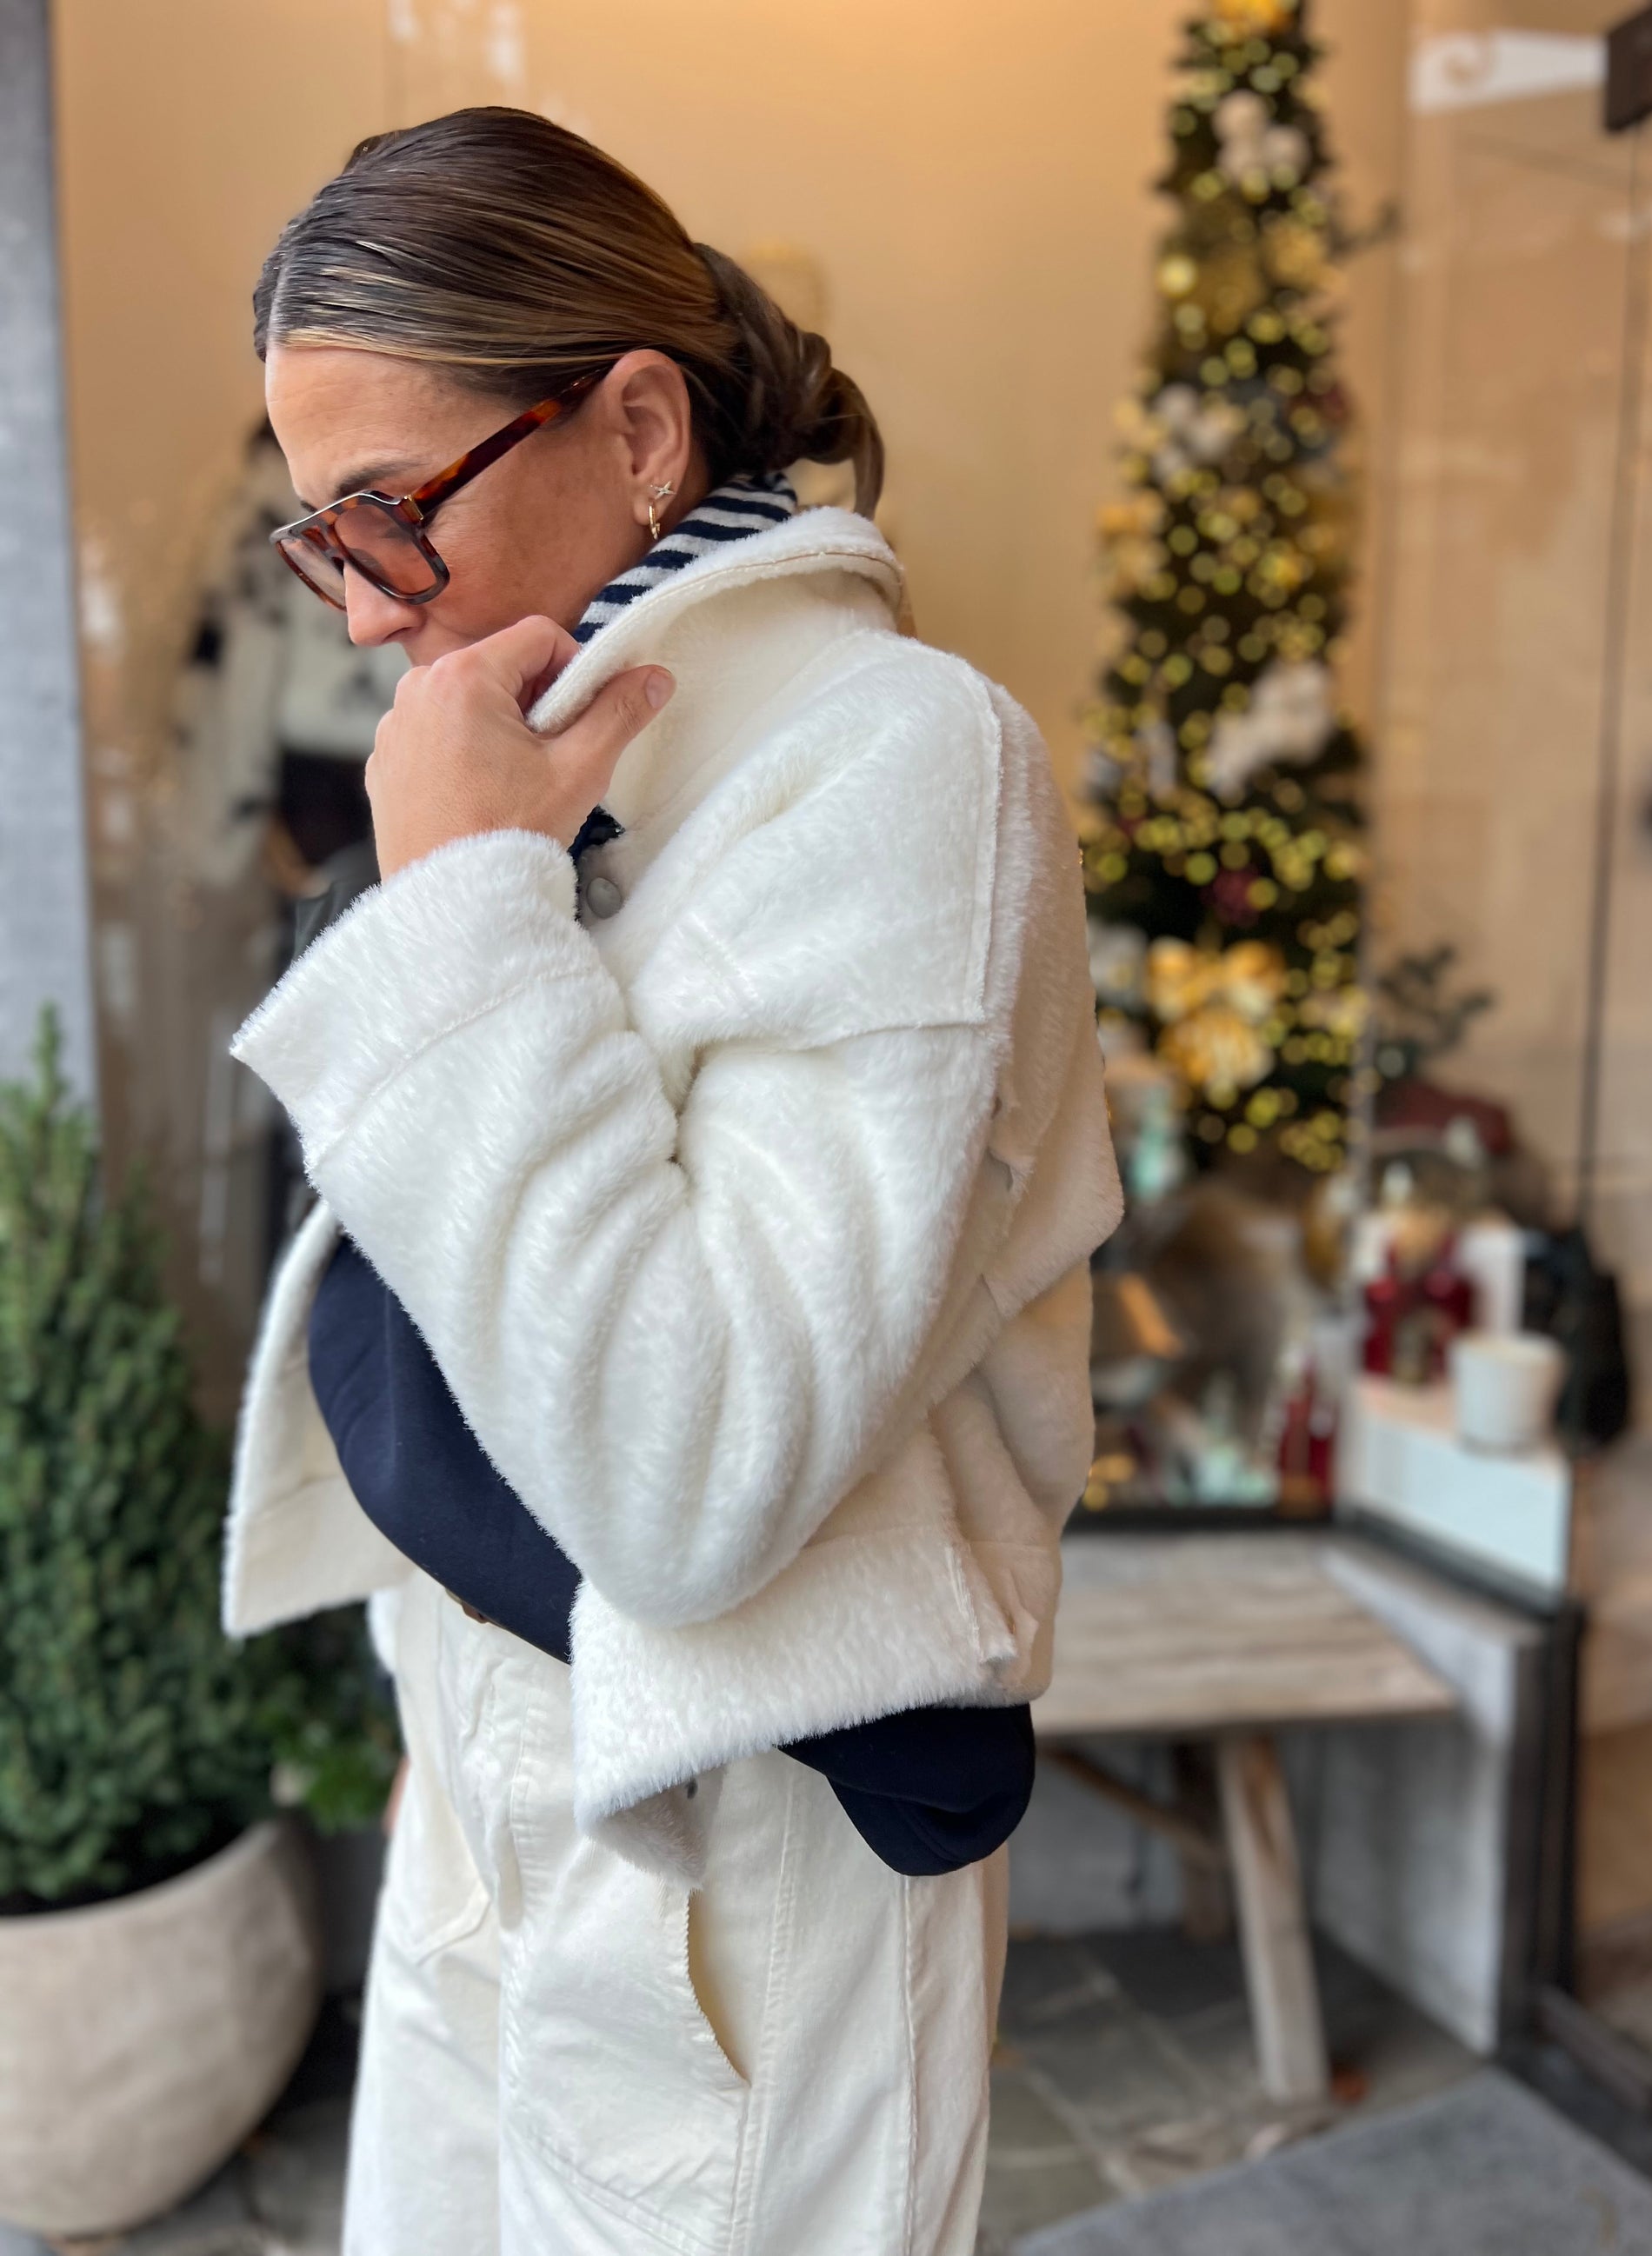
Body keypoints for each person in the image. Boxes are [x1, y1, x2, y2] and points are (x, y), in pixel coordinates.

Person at [223, 106, 1121, 2256]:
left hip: (746, 1830)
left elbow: (695, 1469)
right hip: (496, 1737)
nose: (364, 612)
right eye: (322, 538)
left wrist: (465, 899)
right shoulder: (540, 738)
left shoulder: (900, 756)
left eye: (392, 513)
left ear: (638, 428)